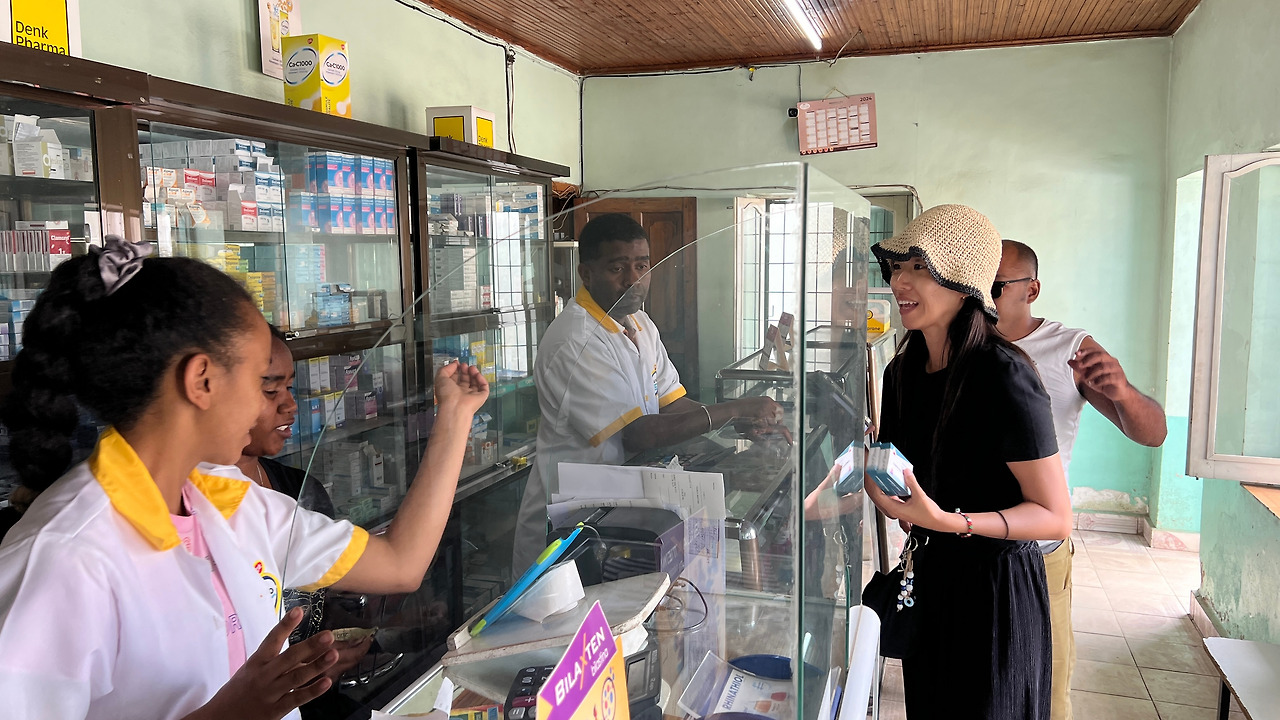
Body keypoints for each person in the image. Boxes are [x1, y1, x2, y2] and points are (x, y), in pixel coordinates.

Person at [0, 237, 488, 720]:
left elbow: (399, 564)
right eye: (261, 382)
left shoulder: (225, 502)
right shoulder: (63, 558)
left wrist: (455, 415)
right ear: (202, 381)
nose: (270, 405)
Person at [863, 205, 1073, 719]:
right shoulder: (901, 373)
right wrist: (876, 483)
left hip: (996, 593)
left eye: (919, 267)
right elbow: (909, 486)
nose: (899, 282)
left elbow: (1054, 517)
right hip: (930, 582)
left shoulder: (1003, 375)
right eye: (897, 267)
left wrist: (949, 521)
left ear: (964, 284)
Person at [513, 213, 787, 573]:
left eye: (642, 266)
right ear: (586, 274)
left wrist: (736, 422)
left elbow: (671, 403)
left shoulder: (640, 322)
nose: (633, 280)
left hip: (620, 514)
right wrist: (735, 409)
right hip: (571, 522)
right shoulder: (575, 341)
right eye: (617, 268)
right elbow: (639, 433)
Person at [994, 239, 1167, 720]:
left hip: (1037, 549)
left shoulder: (1068, 348)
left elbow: (1152, 433)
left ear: (1031, 290)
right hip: (968, 540)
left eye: (997, 285)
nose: (984, 297)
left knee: (1043, 686)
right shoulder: (962, 342)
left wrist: (1123, 392)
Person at [233, 325, 372, 720]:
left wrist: (359, 637)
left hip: (316, 702)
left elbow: (320, 604)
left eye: (290, 388)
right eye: (270, 390)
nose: (290, 406)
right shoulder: (195, 513)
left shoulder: (300, 490)